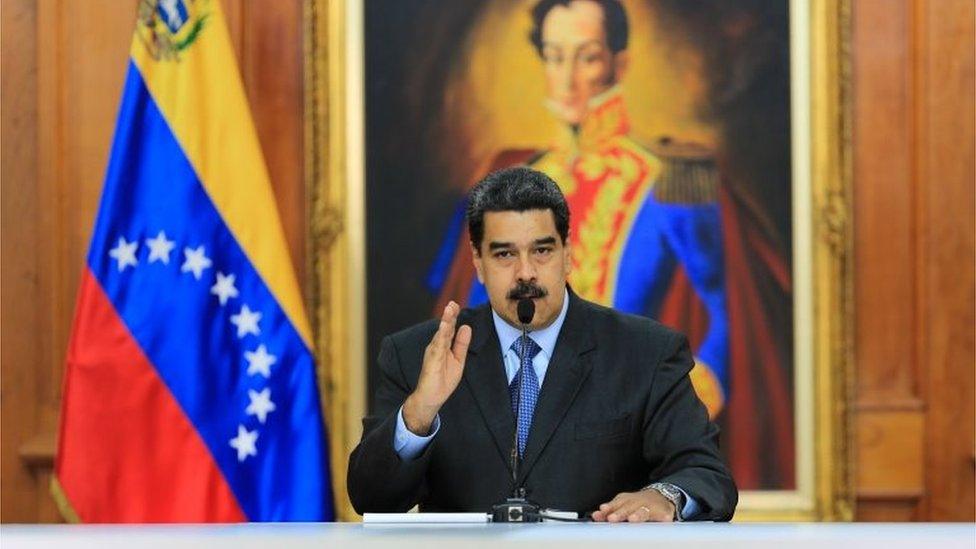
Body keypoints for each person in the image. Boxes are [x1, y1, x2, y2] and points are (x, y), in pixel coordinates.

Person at [426, 0, 795, 489]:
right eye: (555, 57)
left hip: (629, 450)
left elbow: (728, 318)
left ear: (619, 64)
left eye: (587, 57)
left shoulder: (672, 185)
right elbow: (470, 323)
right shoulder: (507, 181)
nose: (568, 77)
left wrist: (673, 425)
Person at [349, 167, 737, 521]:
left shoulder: (646, 352)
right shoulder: (417, 354)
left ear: (567, 254)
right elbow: (371, 500)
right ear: (478, 263)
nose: (526, 273)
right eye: (504, 254)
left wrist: (665, 497)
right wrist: (419, 413)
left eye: (542, 250)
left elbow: (706, 474)